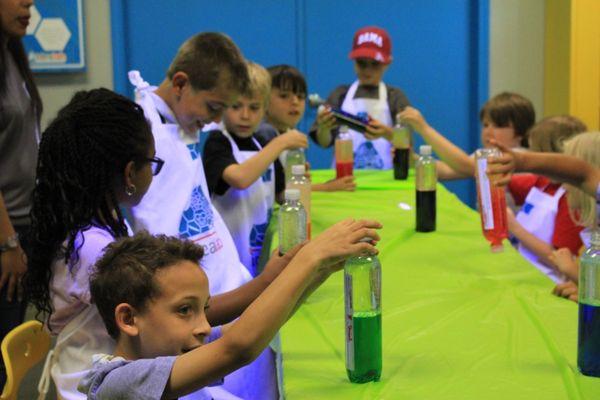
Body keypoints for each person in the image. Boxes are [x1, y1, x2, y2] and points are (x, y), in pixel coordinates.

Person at [127, 33, 298, 399]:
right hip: (197, 309)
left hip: (225, 283)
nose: (214, 121)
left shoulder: (182, 124)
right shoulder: (143, 134)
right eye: (214, 107)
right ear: (180, 84)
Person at [78, 221, 380, 399]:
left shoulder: (170, 351)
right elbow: (238, 347)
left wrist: (319, 273)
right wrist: (309, 259)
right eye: (185, 310)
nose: (204, 326)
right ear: (129, 319)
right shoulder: (117, 384)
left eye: (203, 310)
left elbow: (245, 330)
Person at [24, 89, 159, 399]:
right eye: (151, 163)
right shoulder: (94, 248)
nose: (152, 173)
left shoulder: (89, 228)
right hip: (91, 389)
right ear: (129, 173)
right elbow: (159, 315)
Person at [203, 61, 307, 275]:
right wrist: (281, 143)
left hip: (259, 249)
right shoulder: (217, 142)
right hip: (227, 255)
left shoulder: (260, 145)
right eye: (236, 106)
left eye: (254, 107)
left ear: (264, 108)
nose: (245, 115)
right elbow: (240, 178)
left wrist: (300, 182)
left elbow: (282, 195)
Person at [0, 0, 42, 388]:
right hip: (4, 233)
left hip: (22, 225)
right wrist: (8, 243)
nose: (28, 2)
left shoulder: (12, 53)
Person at [310, 26, 410, 170]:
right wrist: (324, 128)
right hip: (344, 182)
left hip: (386, 183)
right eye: (361, 64)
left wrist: (386, 133)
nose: (367, 70)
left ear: (388, 63)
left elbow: (406, 142)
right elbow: (324, 142)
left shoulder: (395, 97)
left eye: (375, 64)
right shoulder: (340, 95)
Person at [504, 116, 586, 281]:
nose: (533, 162)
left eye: (538, 154)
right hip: (522, 271)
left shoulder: (573, 199)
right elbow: (506, 181)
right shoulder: (543, 182)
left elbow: (560, 261)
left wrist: (515, 228)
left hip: (547, 280)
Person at [259, 64, 356, 192]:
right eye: (284, 96)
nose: (295, 102)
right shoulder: (261, 137)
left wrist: (301, 180)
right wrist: (326, 187)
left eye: (300, 96)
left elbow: (290, 186)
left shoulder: (293, 135)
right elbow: (279, 191)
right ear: (263, 100)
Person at [398, 92, 535, 180]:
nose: (488, 131)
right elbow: (447, 170)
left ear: (521, 131)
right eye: (486, 125)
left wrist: (424, 128)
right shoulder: (486, 154)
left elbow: (466, 166)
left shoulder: (518, 157)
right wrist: (415, 160)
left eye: (498, 125)